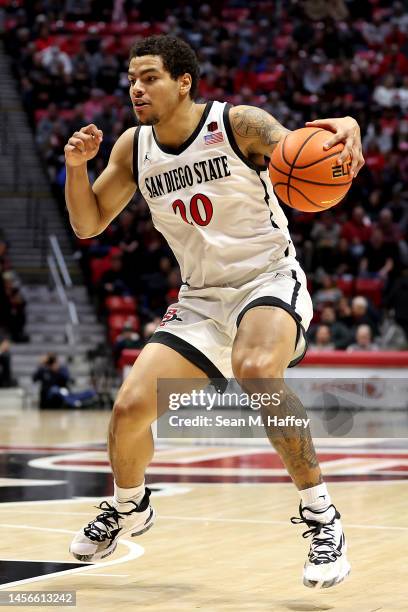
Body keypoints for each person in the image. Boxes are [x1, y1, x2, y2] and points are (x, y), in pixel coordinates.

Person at [64, 35, 364, 588]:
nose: (136, 87)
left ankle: (323, 518)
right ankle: (130, 505)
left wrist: (346, 122)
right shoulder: (134, 148)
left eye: (149, 76)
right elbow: (87, 224)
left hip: (267, 279)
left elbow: (302, 148)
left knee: (255, 370)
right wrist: (77, 167)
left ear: (184, 82)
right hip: (201, 300)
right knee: (130, 408)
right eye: (132, 78)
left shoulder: (239, 125)